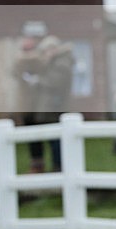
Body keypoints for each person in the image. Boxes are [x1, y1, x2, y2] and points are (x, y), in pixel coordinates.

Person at [15, 35, 74, 173]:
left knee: (56, 140)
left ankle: (59, 168)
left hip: (55, 107)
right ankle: (53, 167)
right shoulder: (53, 62)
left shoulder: (61, 63)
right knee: (50, 138)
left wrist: (38, 81)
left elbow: (56, 82)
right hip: (49, 107)